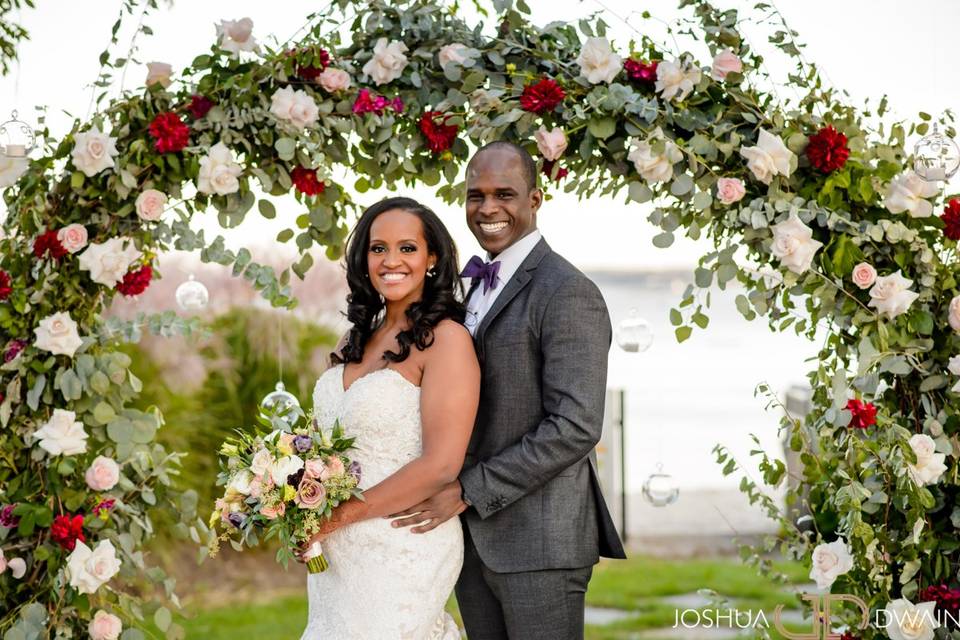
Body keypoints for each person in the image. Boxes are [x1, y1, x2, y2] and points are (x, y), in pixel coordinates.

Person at [389, 142, 627, 639]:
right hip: (470, 540)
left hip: (540, 542)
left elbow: (575, 426)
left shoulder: (567, 292)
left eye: (504, 194)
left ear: (535, 199)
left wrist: (467, 491)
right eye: (475, 196)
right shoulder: (471, 287)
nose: (488, 208)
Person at [299, 196, 480, 639]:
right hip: (337, 551)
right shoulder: (353, 339)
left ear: (431, 258)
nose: (390, 261)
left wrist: (336, 517)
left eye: (407, 248)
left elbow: (441, 465)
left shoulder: (447, 340)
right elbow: (321, 444)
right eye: (378, 249)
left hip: (401, 542)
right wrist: (286, 498)